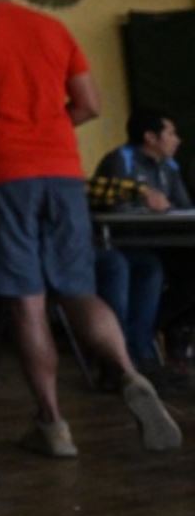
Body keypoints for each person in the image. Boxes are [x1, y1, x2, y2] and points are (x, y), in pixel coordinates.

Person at [0, 0, 179, 457]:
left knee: (28, 302)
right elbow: (89, 104)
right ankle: (131, 374)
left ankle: (53, 425)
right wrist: (45, 127)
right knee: (78, 288)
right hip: (64, 174)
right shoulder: (54, 29)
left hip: (5, 178)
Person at [89, 109, 195, 375]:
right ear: (150, 137)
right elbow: (107, 207)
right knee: (139, 267)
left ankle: (157, 334)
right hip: (119, 244)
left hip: (160, 242)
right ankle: (123, 355)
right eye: (171, 133)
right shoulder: (120, 160)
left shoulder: (169, 166)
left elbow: (181, 207)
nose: (177, 139)